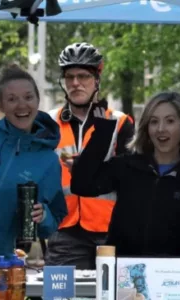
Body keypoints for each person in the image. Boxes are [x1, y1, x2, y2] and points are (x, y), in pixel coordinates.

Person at [71, 91, 180, 257]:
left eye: (170, 121)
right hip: (122, 273)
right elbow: (82, 184)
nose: (161, 129)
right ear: (146, 127)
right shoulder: (128, 165)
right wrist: (101, 134)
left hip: (168, 275)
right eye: (154, 122)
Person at [0, 65, 67, 259]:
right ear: (0, 105)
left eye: (28, 97)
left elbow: (53, 222)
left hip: (0, 264)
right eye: (11, 99)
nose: (21, 105)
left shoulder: (48, 161)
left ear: (37, 100)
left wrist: (43, 217)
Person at [45, 42, 134, 269]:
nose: (75, 83)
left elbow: (129, 179)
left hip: (109, 230)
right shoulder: (48, 123)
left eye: (83, 76)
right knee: (60, 295)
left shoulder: (120, 122)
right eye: (70, 76)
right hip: (65, 229)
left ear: (97, 79)